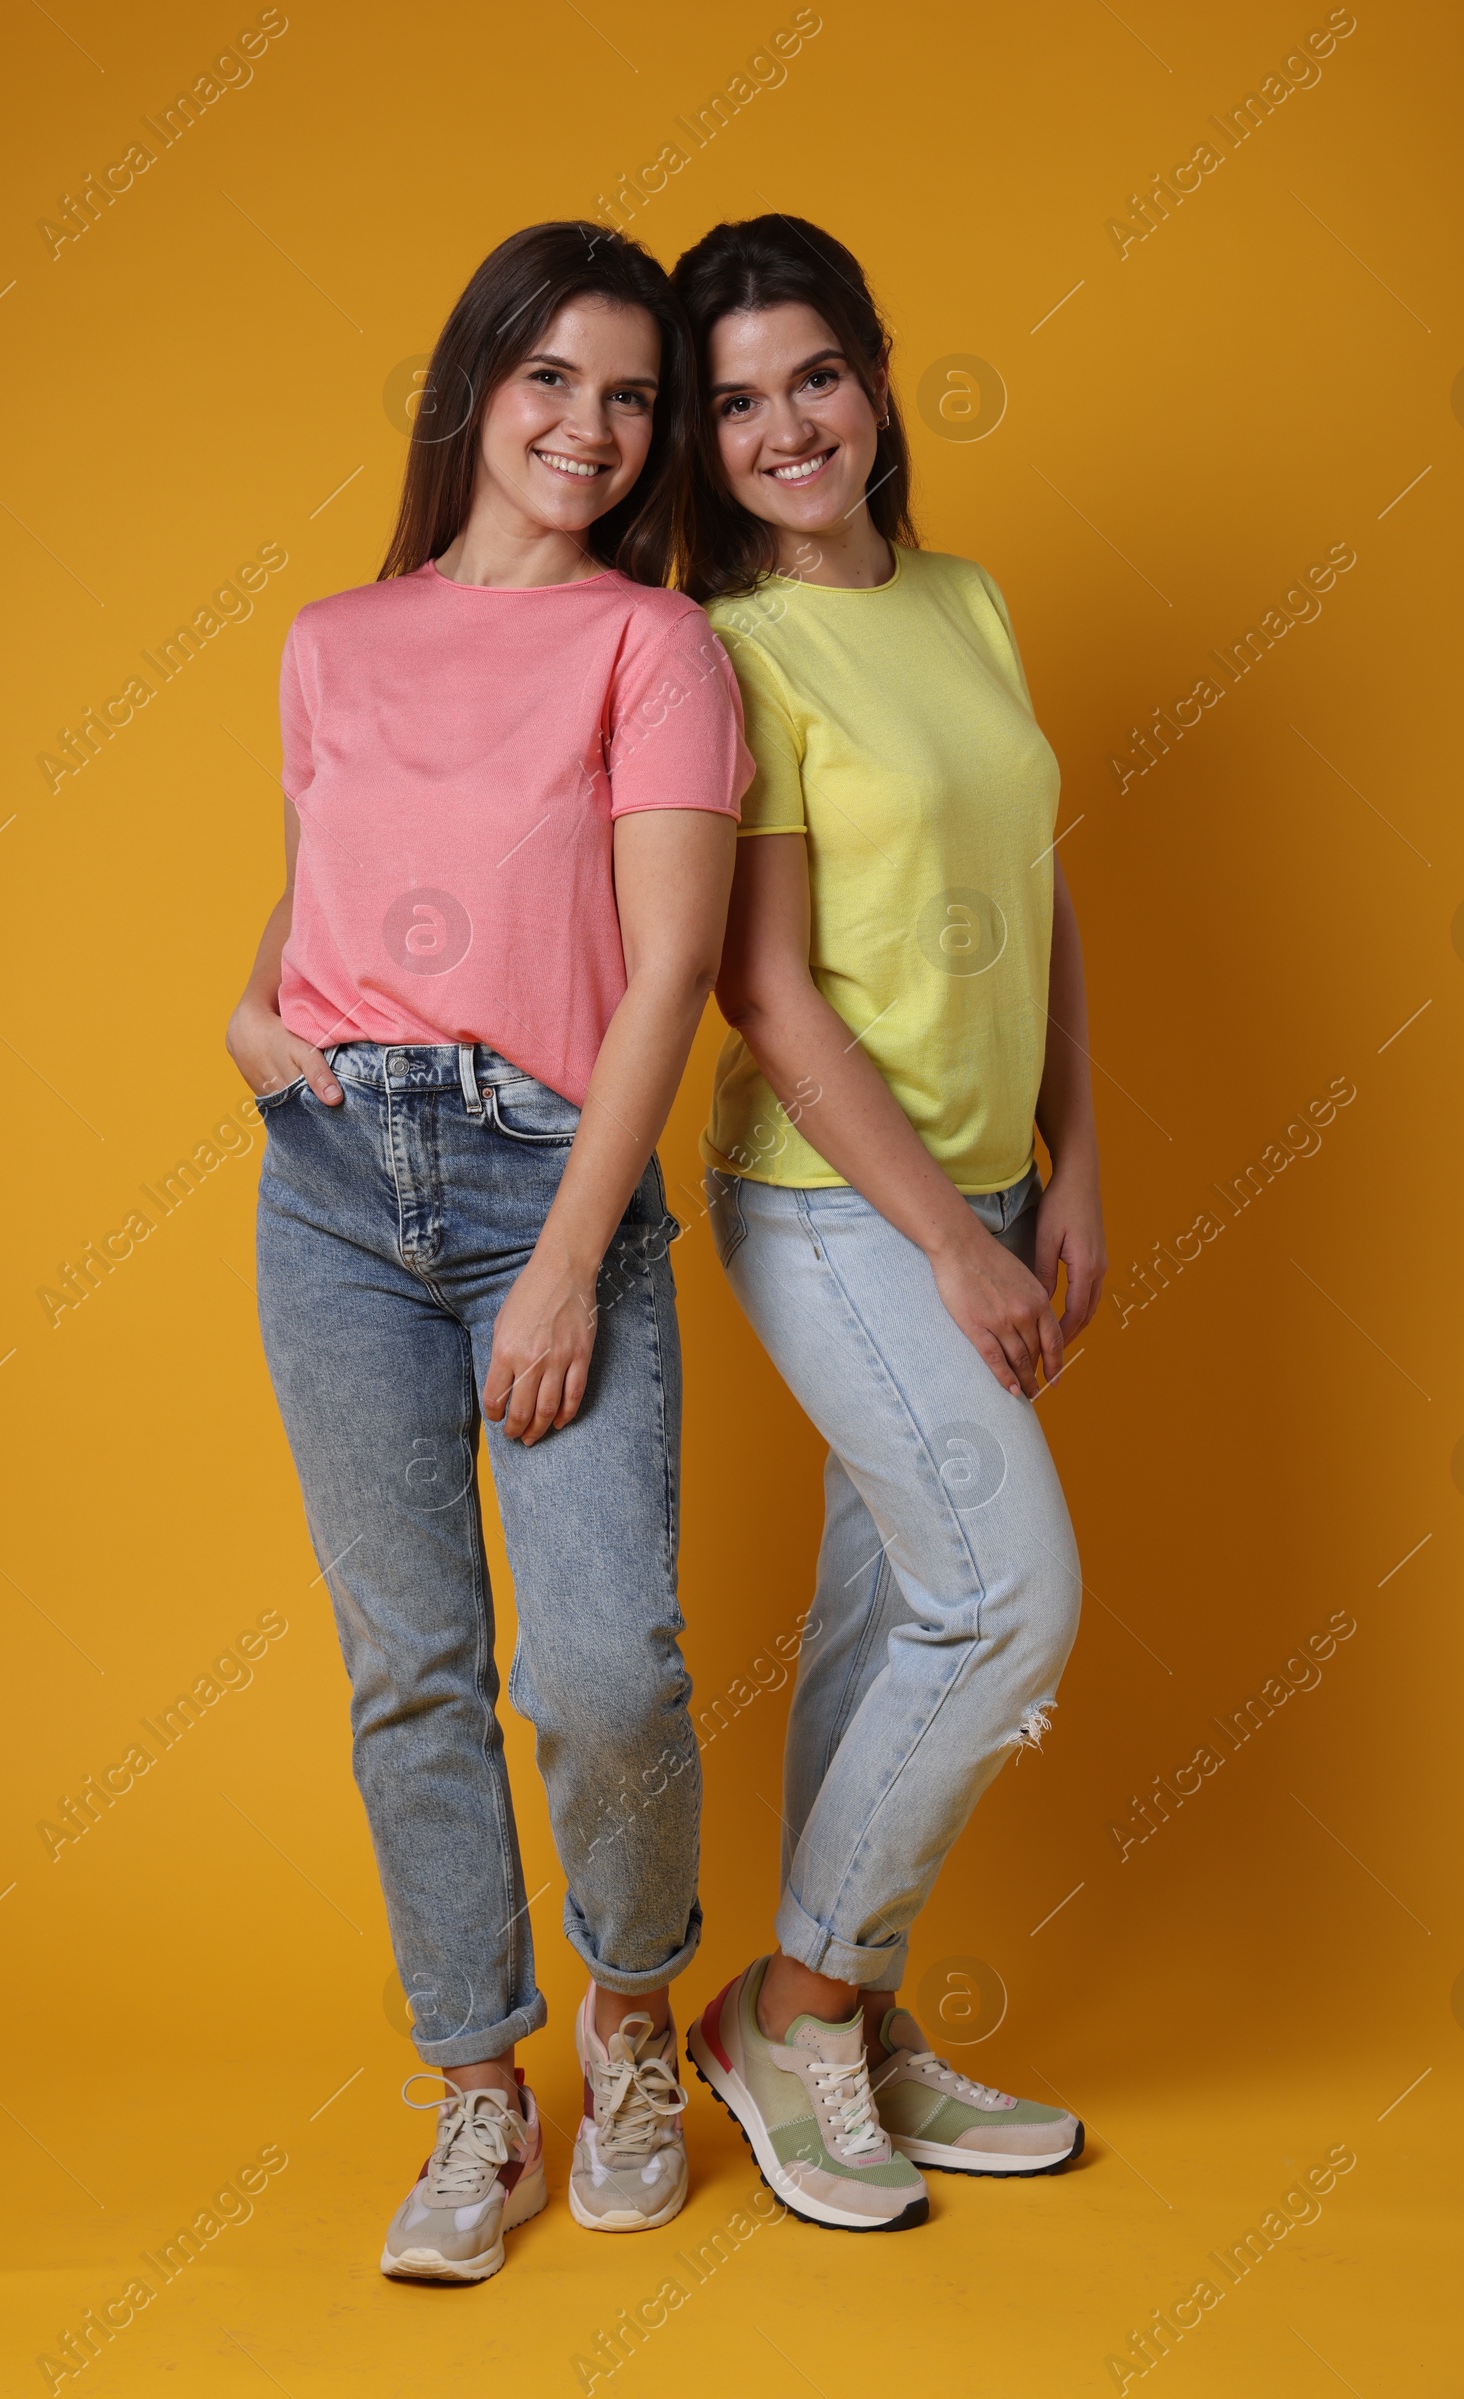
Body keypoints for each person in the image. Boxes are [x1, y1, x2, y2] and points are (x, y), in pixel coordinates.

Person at [226, 221, 751, 2283]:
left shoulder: (654, 647)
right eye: (555, 380)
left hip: (556, 1181)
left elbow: (675, 962)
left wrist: (568, 1259)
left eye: (632, 398)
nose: (594, 430)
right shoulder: (333, 637)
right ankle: (474, 2097)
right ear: (478, 382)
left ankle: (631, 2019)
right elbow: (315, 879)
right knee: (408, 1671)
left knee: (601, 1665)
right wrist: (251, 1003)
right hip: (338, 1184)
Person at [672, 215, 1105, 2231]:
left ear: (870, 374)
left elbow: (1041, 896)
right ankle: (792, 2009)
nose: (785, 428)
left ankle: (862, 2029)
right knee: (1004, 1599)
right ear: (699, 435)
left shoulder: (965, 598)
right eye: (736, 400)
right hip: (833, 1207)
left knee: (885, 1627)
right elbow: (761, 993)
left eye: (812, 376)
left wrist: (1068, 1172)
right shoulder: (726, 653)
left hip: (991, 1185)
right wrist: (950, 1235)